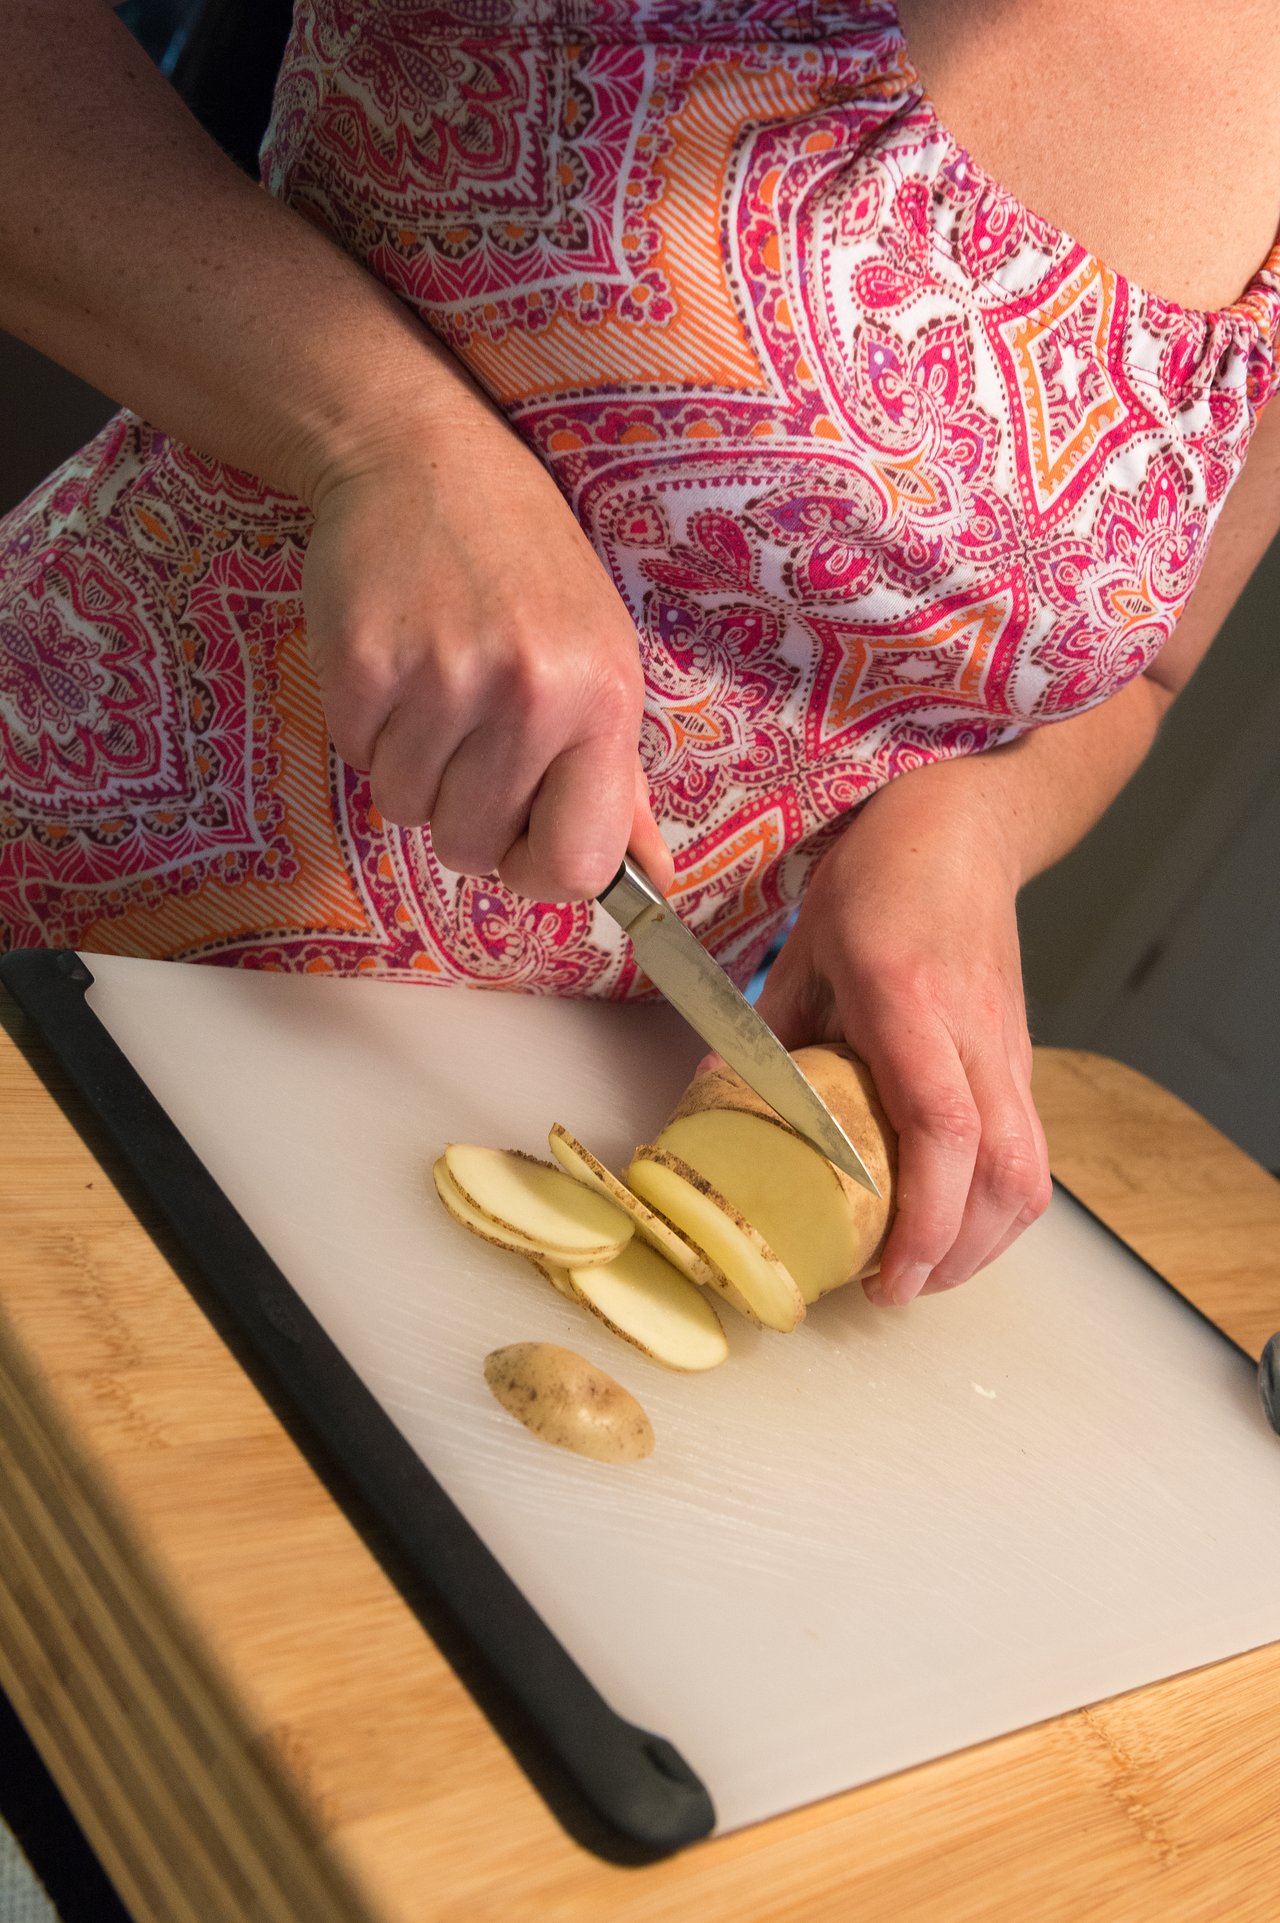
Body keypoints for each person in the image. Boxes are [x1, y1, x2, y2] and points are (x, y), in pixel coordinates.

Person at [2, 0, 1278, 1311]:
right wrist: (378, 433)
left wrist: (970, 827)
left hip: (517, 1148)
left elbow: (1152, 666)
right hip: (71, 950)